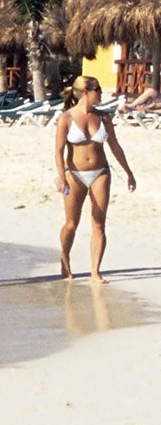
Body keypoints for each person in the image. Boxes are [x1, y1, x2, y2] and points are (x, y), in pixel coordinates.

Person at [54, 76, 138, 281]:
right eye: (98, 89)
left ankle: (95, 271)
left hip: (101, 173)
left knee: (99, 223)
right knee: (71, 224)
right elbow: (58, 151)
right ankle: (64, 259)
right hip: (73, 174)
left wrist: (128, 172)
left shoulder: (104, 117)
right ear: (86, 92)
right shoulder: (66, 118)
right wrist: (61, 177)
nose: (101, 93)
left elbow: (115, 146)